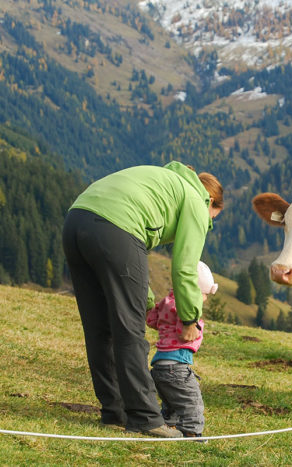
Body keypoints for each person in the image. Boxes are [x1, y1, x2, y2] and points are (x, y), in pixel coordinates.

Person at [61, 161, 223, 438]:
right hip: (115, 227)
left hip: (75, 222)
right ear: (210, 202)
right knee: (129, 331)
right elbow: (186, 267)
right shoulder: (196, 200)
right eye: (211, 219)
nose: (207, 224)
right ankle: (146, 418)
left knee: (99, 329)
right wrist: (189, 317)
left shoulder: (164, 182)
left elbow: (135, 258)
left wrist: (147, 305)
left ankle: (115, 413)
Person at [147, 261, 217, 439]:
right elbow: (185, 333)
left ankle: (170, 425)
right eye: (204, 294)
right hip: (176, 366)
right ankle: (191, 432)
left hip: (159, 366)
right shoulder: (185, 307)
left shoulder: (166, 302)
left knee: (171, 400)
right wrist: (195, 323)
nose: (206, 299)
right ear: (193, 291)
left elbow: (152, 321)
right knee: (191, 401)